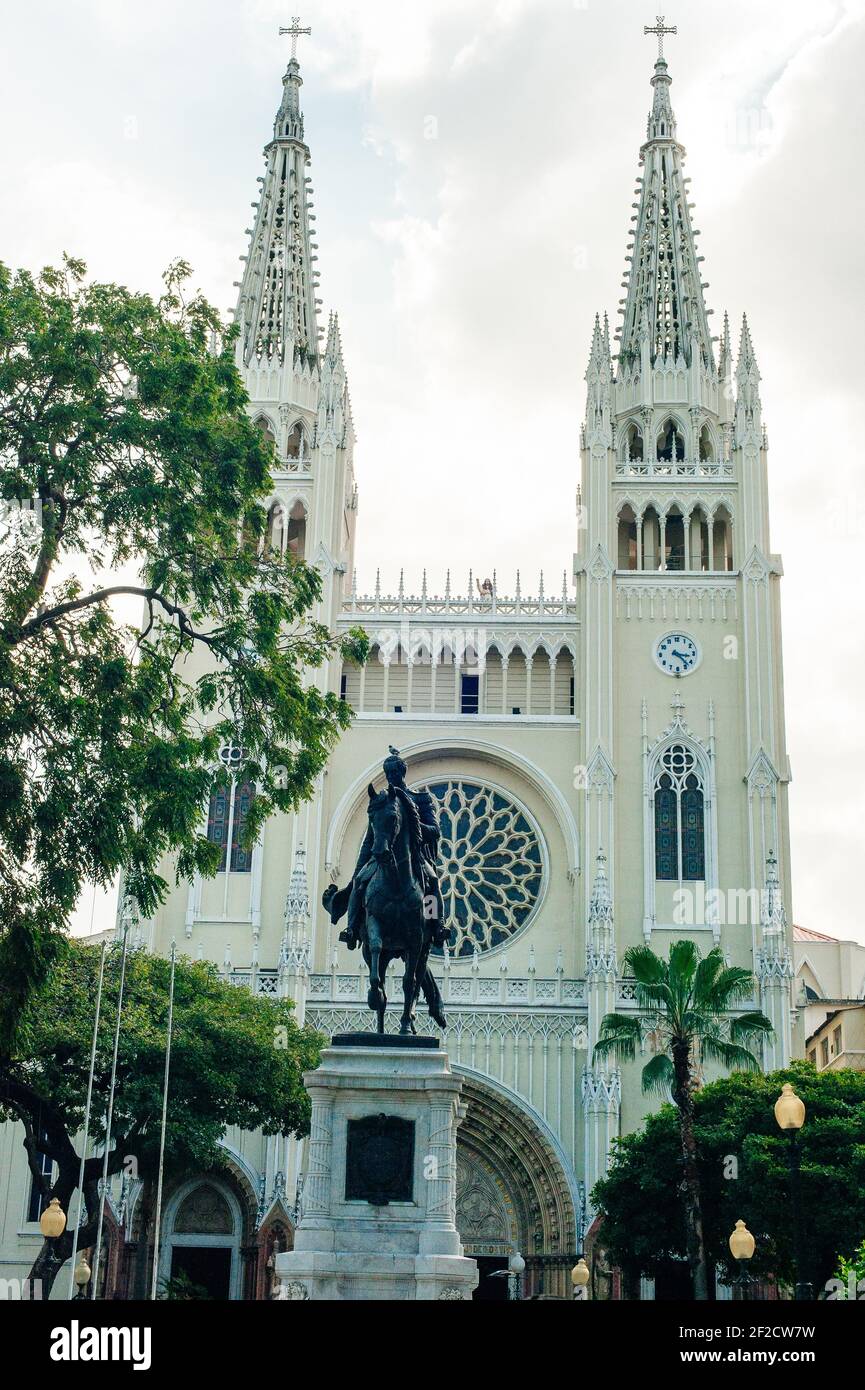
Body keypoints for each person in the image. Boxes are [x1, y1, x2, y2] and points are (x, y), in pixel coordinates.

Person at [322, 747, 447, 950]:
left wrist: (411, 824)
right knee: (360, 883)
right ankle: (352, 928)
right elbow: (370, 839)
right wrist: (358, 870)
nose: (391, 777)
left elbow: (435, 831)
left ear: (402, 773)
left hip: (414, 856)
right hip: (381, 856)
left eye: (395, 773)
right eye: (388, 773)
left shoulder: (420, 799)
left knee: (432, 882)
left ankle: (436, 924)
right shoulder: (381, 801)